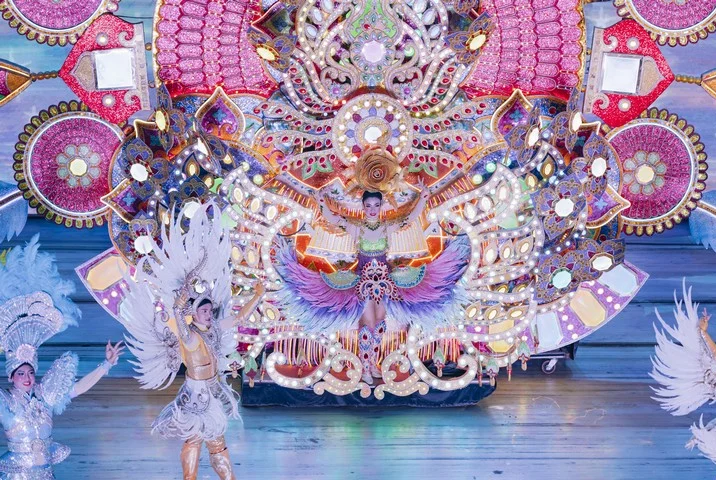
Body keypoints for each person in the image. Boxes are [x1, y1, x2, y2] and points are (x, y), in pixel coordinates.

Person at [119, 203, 265, 480]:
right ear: (194, 314)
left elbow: (238, 318)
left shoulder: (213, 329)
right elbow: (177, 313)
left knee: (216, 441)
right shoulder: (190, 336)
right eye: (204, 311)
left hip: (214, 389)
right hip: (196, 395)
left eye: (210, 310)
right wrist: (182, 297)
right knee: (197, 439)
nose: (209, 314)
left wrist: (258, 295)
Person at [275, 184, 470, 384]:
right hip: (363, 283)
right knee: (367, 324)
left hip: (384, 282)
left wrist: (423, 197)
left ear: (381, 205)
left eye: (376, 205)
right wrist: (321, 202)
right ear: (363, 206)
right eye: (368, 205)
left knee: (379, 324)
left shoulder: (388, 226)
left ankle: (373, 364)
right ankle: (364, 367)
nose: (372, 209)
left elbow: (410, 218)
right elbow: (332, 219)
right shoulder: (356, 226)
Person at [0, 292, 123, 479]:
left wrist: (106, 364)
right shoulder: (6, 401)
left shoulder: (45, 394)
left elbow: (78, 387)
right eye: (21, 373)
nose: (27, 377)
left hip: (45, 474)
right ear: (11, 377)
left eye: (30, 372)